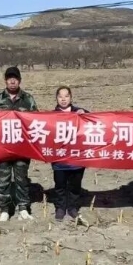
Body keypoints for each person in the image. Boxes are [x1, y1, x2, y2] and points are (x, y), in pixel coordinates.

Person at [0, 66, 39, 222]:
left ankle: (23, 207)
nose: (12, 81)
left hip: (22, 148)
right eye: (9, 78)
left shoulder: (28, 99)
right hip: (2, 148)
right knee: (3, 180)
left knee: (21, 179)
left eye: (15, 78)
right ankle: (4, 209)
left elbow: (36, 121)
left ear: (19, 80)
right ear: (5, 80)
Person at [50, 86, 87, 221]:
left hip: (77, 157)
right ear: (56, 98)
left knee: (75, 185)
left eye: (66, 96)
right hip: (59, 158)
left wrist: (85, 114)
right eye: (60, 96)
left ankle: (72, 207)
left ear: (71, 98)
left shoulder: (80, 112)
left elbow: (94, 122)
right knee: (60, 185)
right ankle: (60, 207)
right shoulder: (51, 116)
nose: (63, 99)